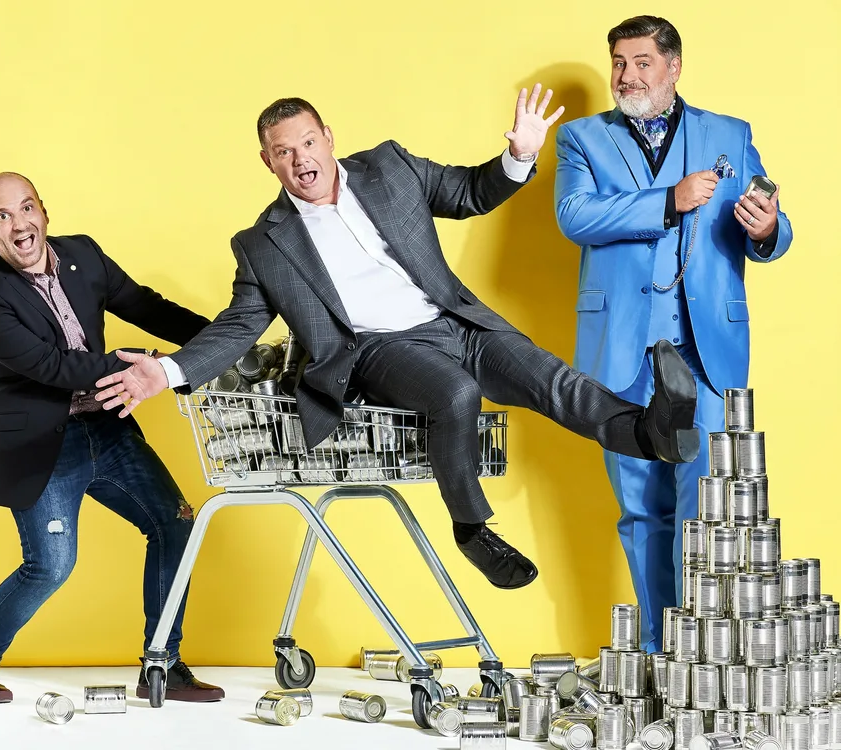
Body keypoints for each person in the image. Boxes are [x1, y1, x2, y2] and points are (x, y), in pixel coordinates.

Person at [94, 88, 699, 591]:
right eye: (285, 153)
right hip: (377, 351)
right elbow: (237, 326)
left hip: (455, 322)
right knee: (456, 395)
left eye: (308, 142)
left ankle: (651, 432)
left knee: (549, 377)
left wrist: (517, 156)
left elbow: (467, 193)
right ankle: (472, 531)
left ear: (328, 136)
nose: (302, 159)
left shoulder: (389, 167)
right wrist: (167, 372)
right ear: (268, 163)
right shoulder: (262, 243)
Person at [554, 16, 792, 650]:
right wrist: (669, 200)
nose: (627, 76)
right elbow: (574, 216)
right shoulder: (581, 138)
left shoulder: (730, 135)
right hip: (624, 351)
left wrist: (766, 227)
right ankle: (660, 653)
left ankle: (700, 652)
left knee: (703, 507)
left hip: (707, 351)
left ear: (673, 67)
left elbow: (775, 229)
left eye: (642, 63)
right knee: (641, 508)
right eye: (619, 63)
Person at [0, 172, 224, 703]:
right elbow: (51, 367)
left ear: (44, 212)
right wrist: (150, 366)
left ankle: (162, 663)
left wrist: (219, 339)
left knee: (176, 525)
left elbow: (146, 306)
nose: (19, 225)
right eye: (2, 217)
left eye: (25, 208)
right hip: (44, 445)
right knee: (50, 566)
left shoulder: (83, 255)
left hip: (108, 427)